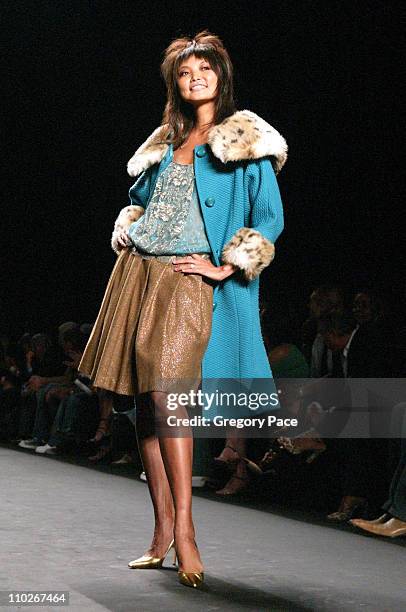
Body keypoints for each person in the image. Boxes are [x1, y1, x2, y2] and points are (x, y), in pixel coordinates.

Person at [79, 31, 287, 588]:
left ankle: (189, 532)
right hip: (138, 271)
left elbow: (269, 218)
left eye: (205, 70)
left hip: (185, 278)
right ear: (176, 81)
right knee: (148, 405)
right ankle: (161, 531)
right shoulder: (164, 141)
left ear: (221, 76)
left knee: (171, 400)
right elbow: (141, 202)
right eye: (186, 72)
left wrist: (230, 263)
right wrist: (127, 226)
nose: (195, 79)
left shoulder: (245, 140)